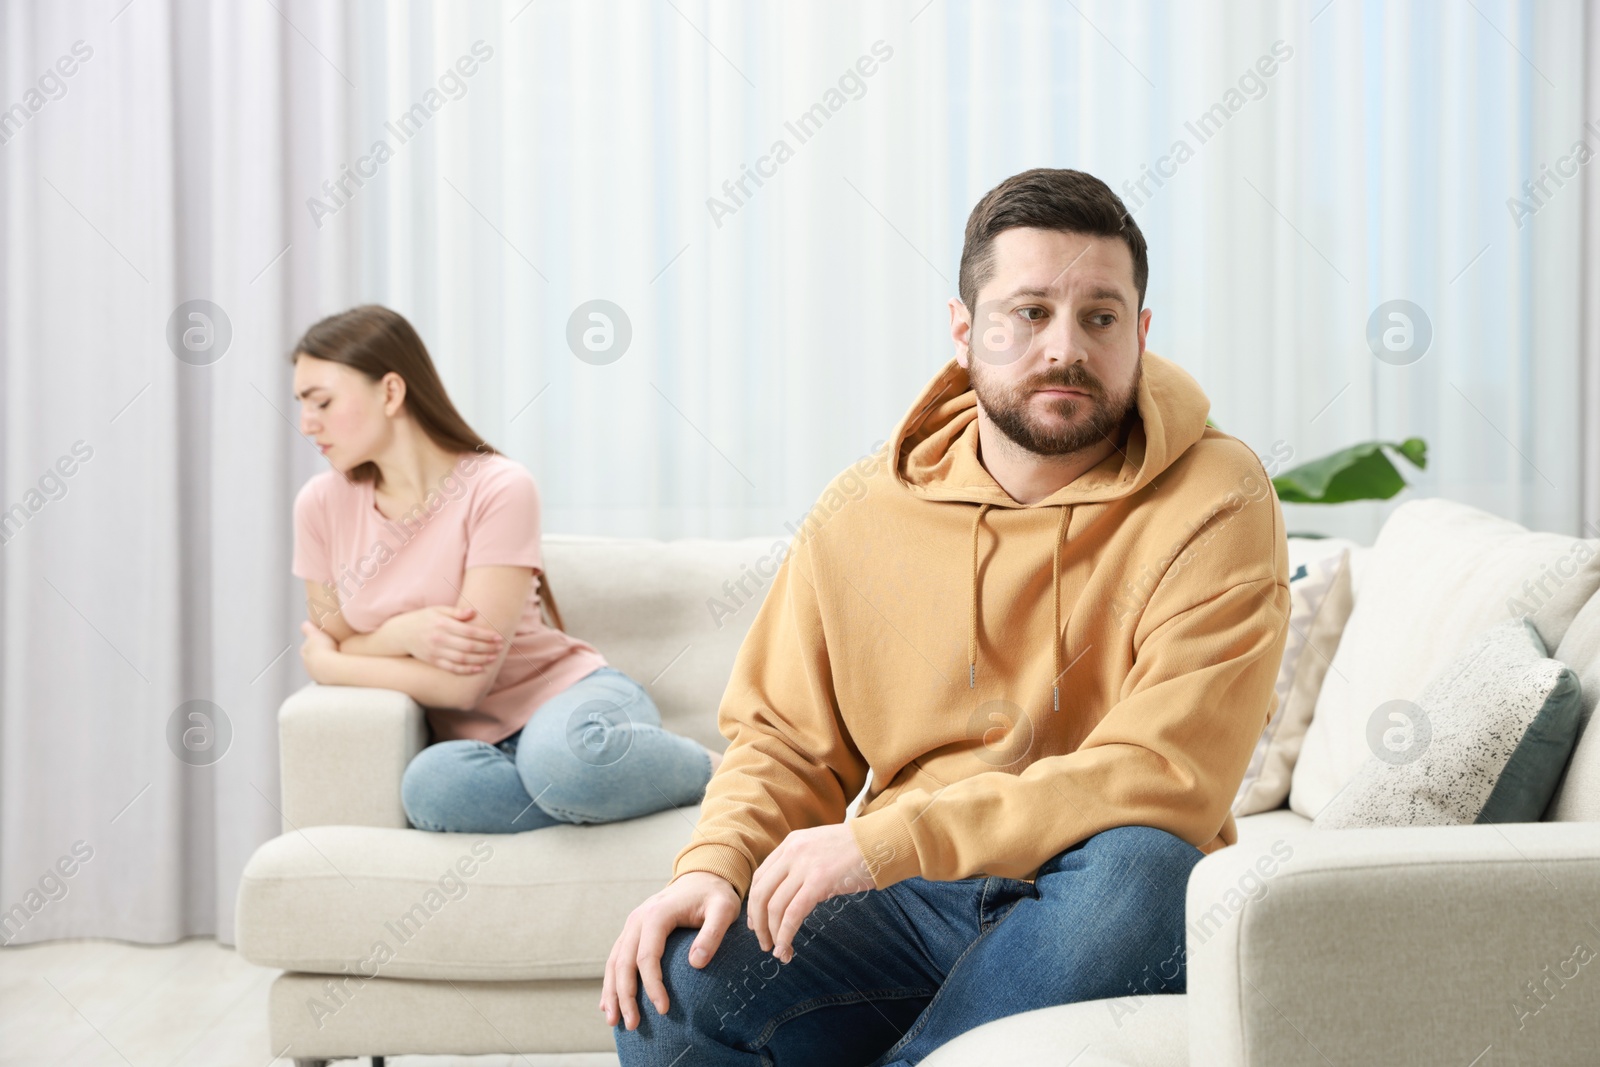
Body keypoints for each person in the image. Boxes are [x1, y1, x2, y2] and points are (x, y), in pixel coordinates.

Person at [602, 168, 1291, 1065]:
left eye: (1101, 316)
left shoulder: (1217, 494)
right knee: (674, 984)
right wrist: (711, 866)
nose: (1064, 348)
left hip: (1086, 896)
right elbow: (785, 741)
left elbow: (1167, 771)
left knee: (1147, 871)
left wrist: (889, 838)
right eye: (1029, 311)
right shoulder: (861, 508)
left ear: (1141, 332)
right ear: (965, 331)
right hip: (906, 899)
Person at [289, 304, 721, 835]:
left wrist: (335, 665)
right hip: (480, 748)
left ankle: (724, 773)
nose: (307, 423)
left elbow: (461, 687)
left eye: (322, 402)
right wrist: (404, 633)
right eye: (302, 405)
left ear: (391, 392)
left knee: (564, 761)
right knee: (432, 789)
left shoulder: (498, 487)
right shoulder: (319, 504)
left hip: (571, 701)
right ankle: (587, 794)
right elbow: (330, 630)